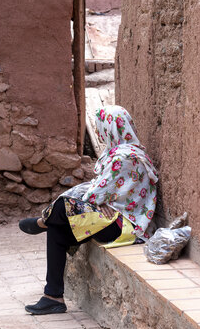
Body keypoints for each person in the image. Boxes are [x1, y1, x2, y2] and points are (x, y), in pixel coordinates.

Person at [19, 105, 158, 315]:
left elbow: (94, 194)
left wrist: (99, 200)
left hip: (123, 226)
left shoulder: (123, 158)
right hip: (116, 219)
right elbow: (100, 191)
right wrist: (100, 200)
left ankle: (42, 223)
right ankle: (53, 296)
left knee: (63, 207)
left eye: (100, 127)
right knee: (58, 230)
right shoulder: (129, 152)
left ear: (108, 129)